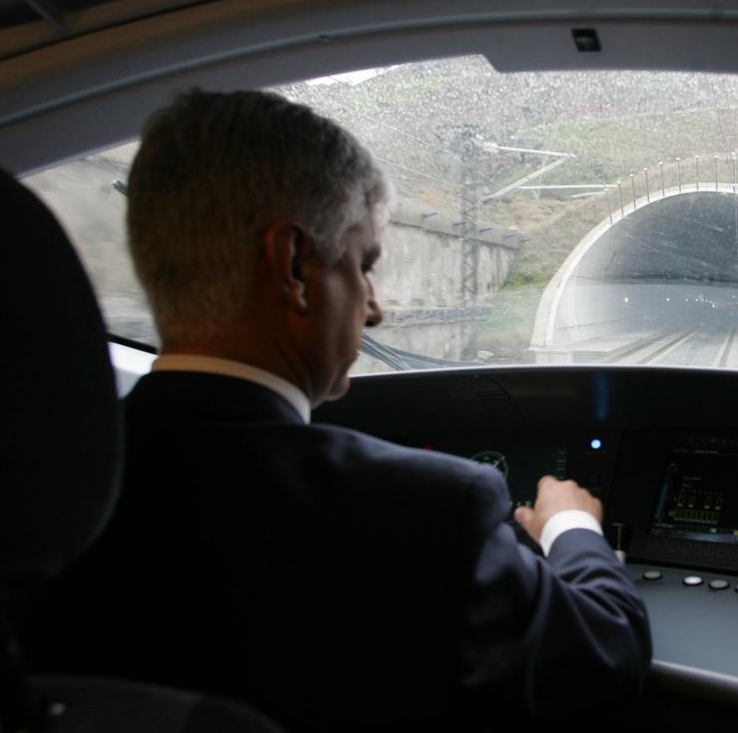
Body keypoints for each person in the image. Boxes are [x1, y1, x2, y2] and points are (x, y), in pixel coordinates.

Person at [32, 89, 650, 731]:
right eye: (364, 265)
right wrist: (570, 529)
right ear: (294, 265)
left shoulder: (30, 496)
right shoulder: (423, 509)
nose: (374, 308)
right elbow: (605, 660)